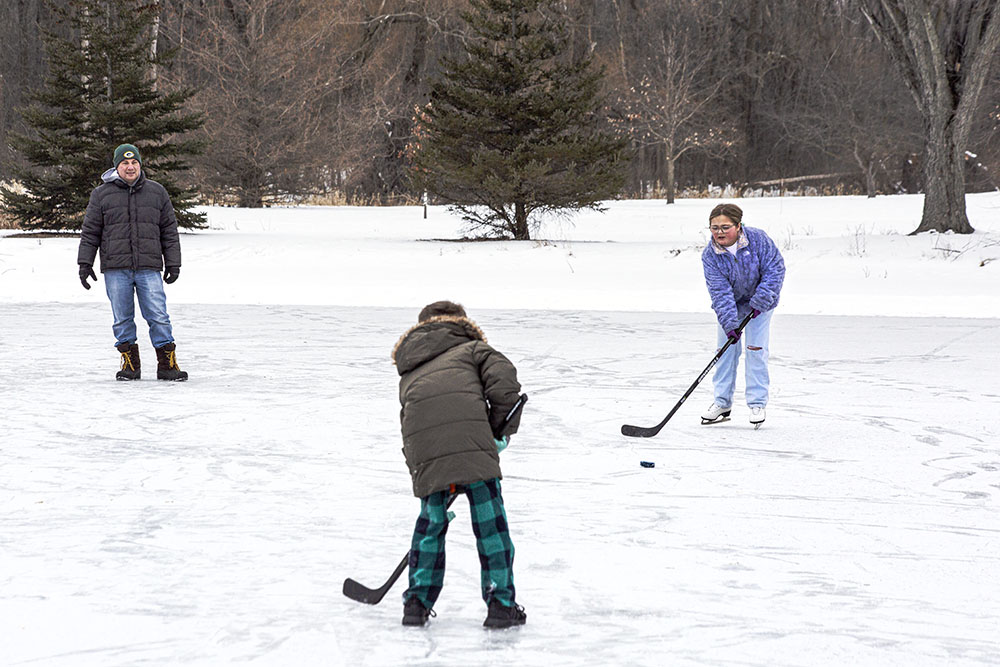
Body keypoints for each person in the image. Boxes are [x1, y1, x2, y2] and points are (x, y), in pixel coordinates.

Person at [392, 300, 526, 629]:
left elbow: (407, 422)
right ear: (459, 323)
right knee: (490, 527)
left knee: (430, 525)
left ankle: (417, 604)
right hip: (472, 443)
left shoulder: (411, 369)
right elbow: (505, 382)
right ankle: (500, 604)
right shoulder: (474, 349)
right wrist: (497, 431)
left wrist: (421, 472)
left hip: (428, 453)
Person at [77, 143, 188, 381]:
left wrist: (173, 263)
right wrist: (85, 263)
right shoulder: (101, 195)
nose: (130, 167)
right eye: (125, 163)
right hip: (116, 268)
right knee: (122, 317)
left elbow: (169, 231)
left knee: (158, 315)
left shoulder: (156, 192)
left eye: (134, 162)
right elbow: (90, 232)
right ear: (117, 167)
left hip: (148, 266)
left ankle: (167, 364)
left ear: (140, 165)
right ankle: (130, 365)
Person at [700, 203, 785, 427]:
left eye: (725, 227)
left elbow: (775, 269)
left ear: (739, 226)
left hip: (761, 302)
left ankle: (757, 403)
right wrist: (729, 324)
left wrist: (762, 299)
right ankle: (722, 402)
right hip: (732, 305)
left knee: (755, 349)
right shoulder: (711, 255)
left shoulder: (758, 240)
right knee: (725, 351)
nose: (719, 232)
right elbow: (719, 292)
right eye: (714, 227)